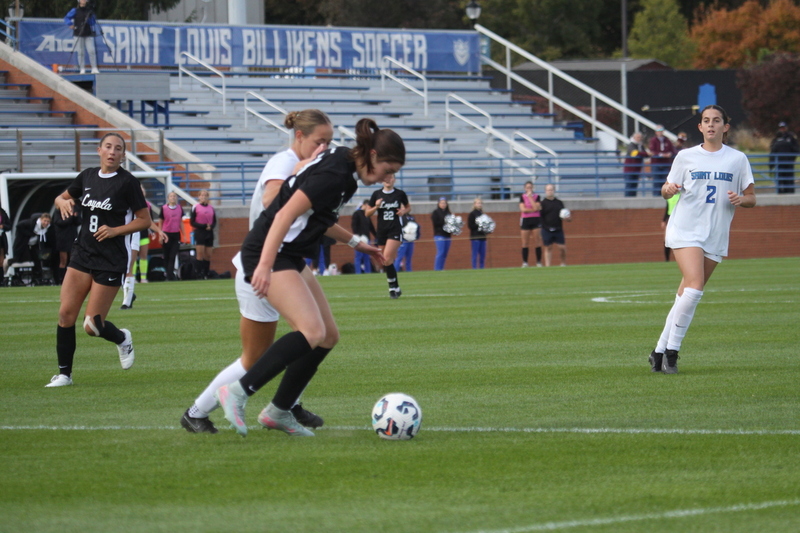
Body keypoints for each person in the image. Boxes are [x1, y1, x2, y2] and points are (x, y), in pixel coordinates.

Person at [214, 118, 403, 437]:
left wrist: (359, 244)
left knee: (328, 335)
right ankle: (236, 392)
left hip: (288, 253)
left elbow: (318, 218)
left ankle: (279, 410)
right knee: (311, 330)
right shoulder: (335, 174)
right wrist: (263, 264)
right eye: (388, 169)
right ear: (371, 155)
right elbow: (285, 212)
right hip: (269, 250)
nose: (390, 177)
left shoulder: (345, 166)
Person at [181, 109, 334, 434]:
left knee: (320, 335)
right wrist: (303, 171)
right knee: (259, 356)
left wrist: (358, 241)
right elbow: (270, 199)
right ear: (300, 137)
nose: (324, 149)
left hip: (287, 263)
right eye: (320, 142)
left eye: (330, 143)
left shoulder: (305, 165)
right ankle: (197, 411)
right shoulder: (284, 162)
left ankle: (287, 404)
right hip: (263, 267)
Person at [649, 105, 756, 375]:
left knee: (685, 294)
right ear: (700, 127)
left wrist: (742, 200)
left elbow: (752, 198)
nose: (711, 125)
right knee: (695, 288)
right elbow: (665, 190)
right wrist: (669, 189)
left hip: (716, 233)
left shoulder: (737, 159)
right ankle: (672, 352)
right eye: (706, 121)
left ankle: (658, 351)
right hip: (686, 229)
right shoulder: (685, 156)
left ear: (725, 126)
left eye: (716, 120)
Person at [45, 132, 151, 387]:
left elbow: (145, 220)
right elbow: (63, 196)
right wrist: (61, 202)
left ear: (123, 156)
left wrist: (115, 230)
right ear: (99, 150)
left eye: (118, 148)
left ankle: (122, 338)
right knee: (65, 315)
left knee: (92, 325)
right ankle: (64, 375)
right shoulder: (88, 176)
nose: (112, 151)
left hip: (111, 258)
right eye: (108, 146)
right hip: (82, 254)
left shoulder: (128, 183)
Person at [365, 174, 410, 298]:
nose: (388, 180)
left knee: (387, 258)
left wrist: (403, 211)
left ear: (394, 179)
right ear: (381, 180)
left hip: (394, 230)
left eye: (390, 178)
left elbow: (408, 207)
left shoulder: (400, 194)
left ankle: (392, 289)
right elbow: (367, 213)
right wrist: (376, 206)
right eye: (385, 178)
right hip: (381, 231)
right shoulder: (376, 194)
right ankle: (396, 286)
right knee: (384, 262)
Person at [121, 191, 164, 309]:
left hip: (133, 235)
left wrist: (159, 231)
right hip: (119, 235)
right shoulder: (119, 200)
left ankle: (127, 301)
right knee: (119, 268)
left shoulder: (140, 204)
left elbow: (147, 220)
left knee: (129, 265)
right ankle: (129, 293)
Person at [12, 212, 53, 282]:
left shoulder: (47, 228)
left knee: (37, 260)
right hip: (23, 244)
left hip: (34, 245)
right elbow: (19, 226)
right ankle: (11, 267)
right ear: (41, 219)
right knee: (23, 259)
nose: (46, 223)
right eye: (45, 221)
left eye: (48, 221)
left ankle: (37, 278)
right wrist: (30, 234)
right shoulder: (31, 223)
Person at [539, 184, 571, 267]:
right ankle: (548, 266)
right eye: (548, 190)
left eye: (551, 190)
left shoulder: (559, 203)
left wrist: (567, 218)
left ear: (554, 190)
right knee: (548, 247)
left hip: (558, 228)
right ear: (545, 191)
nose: (550, 191)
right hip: (546, 229)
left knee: (562, 248)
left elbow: (564, 215)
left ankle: (563, 263)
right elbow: (540, 216)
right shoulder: (542, 203)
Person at [64, 0, 99, 74]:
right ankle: (82, 68)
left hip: (88, 33)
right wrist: (70, 24)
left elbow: (93, 22)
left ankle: (94, 67)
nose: (83, 1)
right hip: (78, 33)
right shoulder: (75, 10)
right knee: (80, 52)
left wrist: (89, 18)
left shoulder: (89, 10)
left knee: (91, 51)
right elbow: (67, 18)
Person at [190, 189, 216, 279]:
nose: (204, 197)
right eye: (202, 195)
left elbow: (214, 221)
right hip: (200, 232)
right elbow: (192, 222)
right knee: (200, 254)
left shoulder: (211, 208)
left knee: (208, 255)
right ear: (199, 197)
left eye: (205, 195)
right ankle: (198, 274)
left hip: (209, 233)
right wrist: (204, 226)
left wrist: (211, 226)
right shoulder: (195, 207)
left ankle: (206, 273)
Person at [52, 205, 81, 284]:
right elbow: (58, 222)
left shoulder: (76, 209)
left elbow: (79, 221)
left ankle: (73, 279)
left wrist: (75, 217)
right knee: (63, 260)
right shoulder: (58, 210)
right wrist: (70, 217)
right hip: (62, 238)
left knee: (73, 259)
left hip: (72, 237)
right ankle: (61, 279)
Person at [159, 191, 184, 281]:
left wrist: (184, 234)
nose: (173, 198)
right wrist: (160, 235)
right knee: (166, 255)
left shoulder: (179, 208)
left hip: (175, 234)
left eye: (174, 196)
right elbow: (161, 222)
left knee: (173, 255)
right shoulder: (164, 208)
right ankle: (168, 274)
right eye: (171, 196)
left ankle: (170, 275)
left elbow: (181, 222)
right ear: (168, 198)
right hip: (166, 234)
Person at [769, 122, 799, 194]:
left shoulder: (791, 137)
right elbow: (772, 150)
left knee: (789, 177)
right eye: (781, 128)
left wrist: (792, 159)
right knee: (780, 177)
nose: (782, 129)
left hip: (789, 162)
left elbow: (796, 149)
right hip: (779, 162)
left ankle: (790, 191)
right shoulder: (776, 139)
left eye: (783, 127)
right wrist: (772, 164)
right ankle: (780, 191)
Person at [518, 181, 542, 266]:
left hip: (536, 219)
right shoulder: (522, 197)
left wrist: (530, 198)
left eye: (530, 187)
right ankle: (525, 262)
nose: (529, 189)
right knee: (525, 242)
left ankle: (538, 262)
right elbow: (523, 209)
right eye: (527, 188)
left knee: (537, 241)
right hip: (526, 220)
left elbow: (537, 207)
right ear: (525, 188)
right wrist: (533, 210)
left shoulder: (537, 196)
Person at [649, 125, 676, 196]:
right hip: (656, 163)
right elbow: (652, 151)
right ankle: (656, 196)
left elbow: (672, 150)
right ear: (656, 132)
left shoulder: (667, 140)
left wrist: (669, 153)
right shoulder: (653, 140)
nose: (660, 132)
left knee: (665, 181)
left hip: (665, 164)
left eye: (661, 131)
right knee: (656, 182)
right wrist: (661, 154)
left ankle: (664, 196)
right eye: (658, 131)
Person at [350, 199, 375, 274]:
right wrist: (357, 236)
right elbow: (354, 225)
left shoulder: (367, 215)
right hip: (359, 239)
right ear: (364, 205)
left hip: (367, 240)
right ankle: (358, 272)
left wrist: (377, 236)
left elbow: (371, 227)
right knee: (358, 257)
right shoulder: (357, 213)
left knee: (367, 257)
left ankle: (368, 272)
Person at [623, 132, 648, 197]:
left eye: (640, 137)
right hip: (630, 169)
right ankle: (628, 200)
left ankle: (632, 198)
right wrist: (644, 154)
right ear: (634, 138)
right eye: (637, 137)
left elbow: (645, 154)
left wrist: (645, 154)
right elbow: (634, 153)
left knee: (634, 185)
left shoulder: (640, 145)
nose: (639, 139)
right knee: (629, 185)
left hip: (637, 169)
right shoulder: (631, 145)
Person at [431, 197, 453, 271]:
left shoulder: (449, 213)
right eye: (441, 203)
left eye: (444, 203)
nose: (443, 204)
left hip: (447, 235)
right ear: (438, 204)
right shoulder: (435, 212)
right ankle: (437, 269)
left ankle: (442, 268)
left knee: (445, 253)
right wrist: (445, 221)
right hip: (439, 234)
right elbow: (436, 223)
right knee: (441, 252)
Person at [467, 197, 488, 269]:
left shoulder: (483, 214)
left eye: (480, 203)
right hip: (475, 236)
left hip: (483, 237)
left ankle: (482, 267)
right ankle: (474, 267)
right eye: (478, 203)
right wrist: (479, 224)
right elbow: (470, 225)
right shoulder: (472, 214)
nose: (479, 204)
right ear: (475, 204)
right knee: (475, 254)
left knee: (483, 254)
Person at [661, 192, 680, 262]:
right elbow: (667, 208)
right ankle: (667, 259)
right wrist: (663, 220)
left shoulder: (681, 196)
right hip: (669, 218)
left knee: (679, 238)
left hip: (678, 217)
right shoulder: (669, 197)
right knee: (666, 239)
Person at [0, 206, 11, 284]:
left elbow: (9, 226)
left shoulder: (3, 213)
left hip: (1, 240)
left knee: (1, 261)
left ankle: (1, 280)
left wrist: (3, 226)